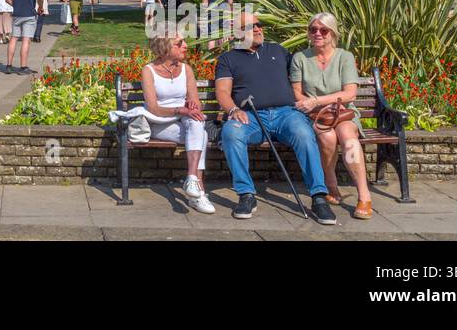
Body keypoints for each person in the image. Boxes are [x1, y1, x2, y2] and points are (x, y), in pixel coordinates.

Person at [215, 12, 337, 224]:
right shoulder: (228, 58)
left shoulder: (279, 51)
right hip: (251, 116)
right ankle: (246, 195)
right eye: (250, 27)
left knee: (303, 132)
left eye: (258, 24)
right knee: (230, 132)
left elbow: (303, 79)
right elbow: (223, 92)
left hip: (286, 114)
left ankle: (318, 197)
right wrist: (233, 110)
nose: (257, 29)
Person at [291, 12, 373, 219]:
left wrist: (317, 100)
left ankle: (364, 195)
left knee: (349, 140)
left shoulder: (345, 57)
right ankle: (331, 183)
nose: (318, 33)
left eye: (323, 30)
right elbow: (297, 93)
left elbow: (350, 93)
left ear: (332, 32)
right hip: (315, 115)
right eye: (313, 30)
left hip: (343, 112)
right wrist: (311, 106)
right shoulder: (300, 58)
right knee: (327, 138)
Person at [140, 29, 214, 213]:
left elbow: (196, 103)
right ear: (165, 49)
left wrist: (193, 104)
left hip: (184, 119)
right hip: (159, 123)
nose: (185, 46)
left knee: (197, 123)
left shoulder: (186, 69)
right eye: (179, 43)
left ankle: (191, 180)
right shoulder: (148, 71)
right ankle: (200, 193)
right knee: (202, 136)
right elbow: (153, 108)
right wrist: (179, 109)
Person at [5, 0, 44, 74]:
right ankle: (23, 67)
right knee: (26, 39)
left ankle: (9, 65)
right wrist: (40, 7)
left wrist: (15, 5)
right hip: (29, 14)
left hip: (17, 14)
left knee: (14, 38)